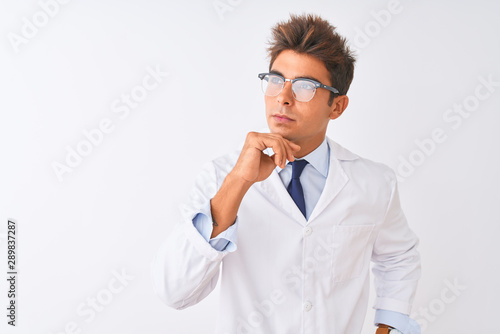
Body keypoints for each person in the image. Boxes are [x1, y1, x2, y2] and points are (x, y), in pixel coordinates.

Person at [151, 13, 421, 334]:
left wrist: (390, 325)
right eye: (276, 80)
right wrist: (239, 182)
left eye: (305, 86)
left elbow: (399, 258)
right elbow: (174, 292)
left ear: (337, 106)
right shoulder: (222, 176)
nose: (283, 97)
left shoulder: (375, 183)